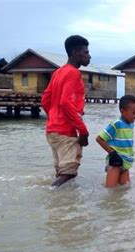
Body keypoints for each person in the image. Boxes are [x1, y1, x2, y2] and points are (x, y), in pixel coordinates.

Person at [41, 35, 91, 187]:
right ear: (76, 52)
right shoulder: (73, 73)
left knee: (61, 172)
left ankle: (59, 208)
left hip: (52, 130)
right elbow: (65, 103)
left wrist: (54, 118)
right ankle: (48, 195)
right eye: (86, 52)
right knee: (69, 173)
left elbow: (45, 100)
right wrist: (83, 131)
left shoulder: (58, 72)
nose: (89, 56)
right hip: (65, 131)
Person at [96, 95, 135, 188]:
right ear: (122, 111)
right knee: (110, 191)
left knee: (124, 190)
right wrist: (112, 153)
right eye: (133, 113)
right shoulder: (116, 124)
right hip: (115, 163)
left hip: (126, 163)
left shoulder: (131, 125)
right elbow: (99, 139)